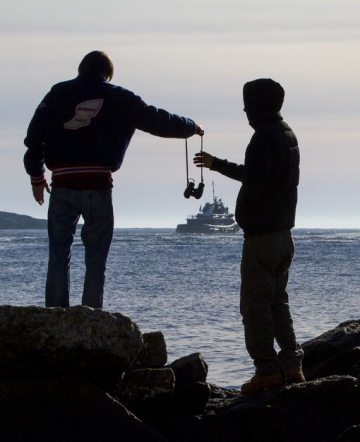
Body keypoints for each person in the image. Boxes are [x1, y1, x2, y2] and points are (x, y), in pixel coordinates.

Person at [23, 50, 203, 309]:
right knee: (96, 262)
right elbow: (157, 120)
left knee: (58, 258)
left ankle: (55, 317)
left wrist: (36, 176)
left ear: (80, 69)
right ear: (107, 74)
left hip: (62, 185)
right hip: (98, 186)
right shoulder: (119, 97)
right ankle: (92, 319)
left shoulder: (56, 93)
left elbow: (34, 137)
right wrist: (190, 126)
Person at [193, 78, 304, 394]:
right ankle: (293, 367)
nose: (245, 111)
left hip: (262, 237)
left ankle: (267, 371)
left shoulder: (262, 138)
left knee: (255, 308)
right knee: (278, 303)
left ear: (256, 106)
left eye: (247, 105)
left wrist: (245, 211)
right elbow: (260, 176)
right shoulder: (287, 135)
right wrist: (216, 165)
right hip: (283, 235)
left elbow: (254, 182)